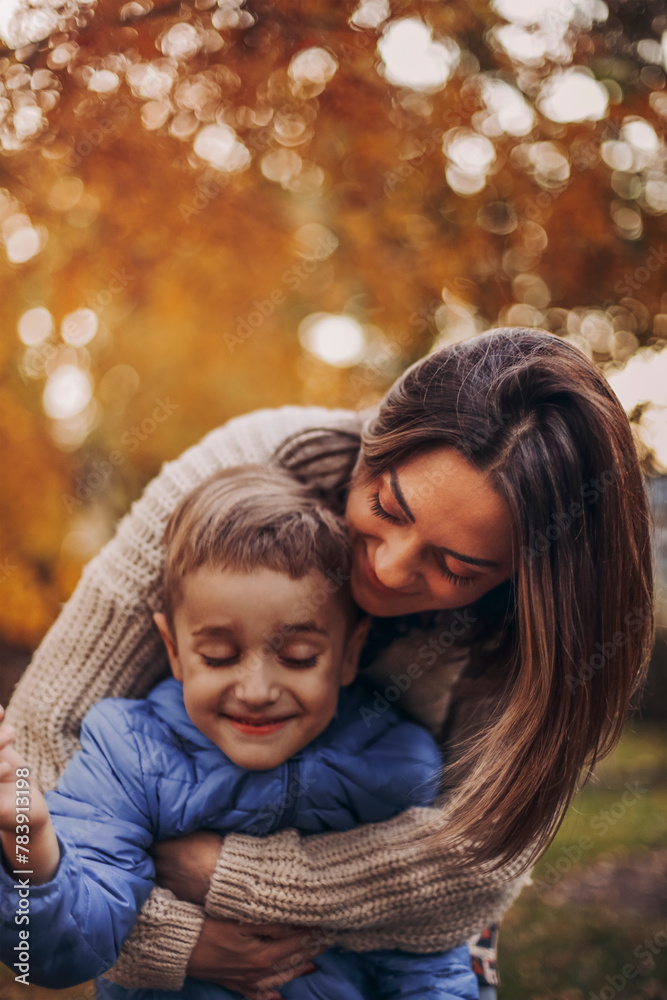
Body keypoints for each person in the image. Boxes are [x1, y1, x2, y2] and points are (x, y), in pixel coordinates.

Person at [3, 329, 653, 999]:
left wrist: (230, 876)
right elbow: (47, 733)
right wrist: (176, 940)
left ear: (521, 578)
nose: (388, 566)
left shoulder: (511, 653)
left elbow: (473, 865)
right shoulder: (230, 481)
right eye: (385, 507)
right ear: (375, 444)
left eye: (455, 565)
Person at [0, 465, 479, 999]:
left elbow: (423, 959)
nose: (255, 690)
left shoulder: (393, 762)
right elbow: (55, 951)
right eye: (219, 656)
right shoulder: (128, 755)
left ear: (349, 654)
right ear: (175, 652)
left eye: (298, 658)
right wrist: (33, 846)